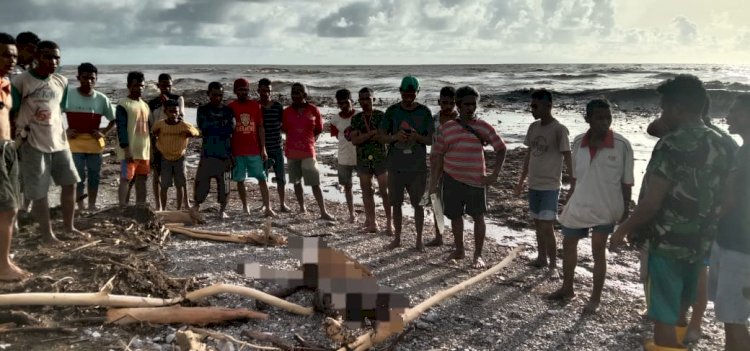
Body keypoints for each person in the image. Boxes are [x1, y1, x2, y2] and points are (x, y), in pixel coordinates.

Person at [610, 75, 733, 351]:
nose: (662, 114)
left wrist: (623, 229)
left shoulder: (672, 144)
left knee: (663, 322)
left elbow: (652, 203)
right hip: (702, 243)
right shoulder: (724, 144)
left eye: (664, 108)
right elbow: (731, 197)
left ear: (678, 107)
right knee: (681, 312)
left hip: (666, 245)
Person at [646, 96, 738, 344]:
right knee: (696, 273)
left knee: (690, 279)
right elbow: (652, 128)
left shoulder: (676, 141)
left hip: (676, 232)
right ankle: (685, 324)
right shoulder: (723, 142)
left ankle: (687, 324)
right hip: (707, 229)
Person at [548, 99, 634, 314]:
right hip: (580, 202)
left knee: (598, 251)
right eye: (599, 118)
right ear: (588, 119)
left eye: (608, 118)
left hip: (607, 206)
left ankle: (595, 298)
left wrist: (625, 215)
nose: (605, 122)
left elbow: (627, 183)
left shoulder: (622, 145)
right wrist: (569, 199)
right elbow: (575, 178)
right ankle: (567, 288)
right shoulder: (578, 143)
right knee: (568, 245)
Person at [11, 40, 85, 245]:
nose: (53, 61)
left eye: (56, 57)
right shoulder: (22, 81)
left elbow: (58, 109)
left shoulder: (61, 81)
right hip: (32, 142)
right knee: (39, 191)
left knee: (70, 183)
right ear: (36, 57)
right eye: (47, 56)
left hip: (59, 141)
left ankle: (69, 227)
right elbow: (13, 111)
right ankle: (47, 235)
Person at [429, 86, 506, 268]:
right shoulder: (447, 128)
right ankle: (459, 249)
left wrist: (494, 174)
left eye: (474, 104)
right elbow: (438, 155)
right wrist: (434, 181)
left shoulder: (483, 127)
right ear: (458, 105)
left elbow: (501, 148)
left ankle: (477, 256)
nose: (471, 108)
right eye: (467, 104)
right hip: (451, 178)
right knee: (455, 216)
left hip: (476, 181)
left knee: (478, 217)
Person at [514, 89, 572, 275]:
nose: (532, 109)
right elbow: (529, 154)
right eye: (531, 105)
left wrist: (573, 182)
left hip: (550, 185)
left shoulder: (559, 129)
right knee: (538, 223)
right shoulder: (533, 127)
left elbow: (567, 156)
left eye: (535, 105)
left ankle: (553, 264)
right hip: (534, 183)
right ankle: (541, 257)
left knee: (547, 225)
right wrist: (521, 179)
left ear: (548, 105)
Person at [708, 94, 750, 351]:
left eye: (734, 111)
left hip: (738, 248)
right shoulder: (742, 149)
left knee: (733, 320)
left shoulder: (746, 154)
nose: (728, 116)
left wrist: (708, 219)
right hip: (737, 244)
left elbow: (730, 200)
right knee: (737, 318)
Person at [379, 76, 434, 251]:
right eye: (405, 93)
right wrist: (395, 137)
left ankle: (419, 240)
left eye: (412, 93)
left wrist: (417, 137)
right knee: (396, 204)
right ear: (400, 92)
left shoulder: (425, 112)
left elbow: (431, 140)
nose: (408, 97)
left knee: (418, 205)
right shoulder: (392, 111)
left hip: (417, 167)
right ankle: (397, 239)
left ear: (417, 92)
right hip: (395, 165)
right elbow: (380, 136)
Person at [65, 62, 116, 211]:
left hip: (94, 142)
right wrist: (64, 131)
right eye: (85, 78)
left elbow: (114, 119)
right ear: (78, 78)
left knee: (94, 176)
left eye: (92, 78)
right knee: (78, 176)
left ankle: (92, 204)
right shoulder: (68, 96)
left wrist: (104, 132)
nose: (88, 81)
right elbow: (54, 115)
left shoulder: (101, 98)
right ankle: (80, 205)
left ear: (96, 79)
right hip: (74, 142)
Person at [281, 82, 334, 220]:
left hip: (308, 151)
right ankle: (302, 207)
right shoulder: (286, 112)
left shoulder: (313, 110)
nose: (295, 95)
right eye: (293, 92)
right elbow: (284, 129)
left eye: (298, 92)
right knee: (296, 182)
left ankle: (323, 211)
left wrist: (310, 141)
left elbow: (319, 129)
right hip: (292, 151)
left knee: (315, 182)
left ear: (305, 94)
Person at [0, 32, 29, 280]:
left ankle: (4, 258)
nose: (11, 60)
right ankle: (3, 266)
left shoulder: (6, 84)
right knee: (7, 208)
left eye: (14, 56)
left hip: (8, 147)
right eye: (5, 55)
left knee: (12, 206)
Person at [228, 78, 273, 217]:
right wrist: (230, 152)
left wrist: (263, 148)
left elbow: (260, 127)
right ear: (235, 91)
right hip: (238, 150)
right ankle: (245, 207)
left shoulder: (255, 106)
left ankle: (268, 207)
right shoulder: (230, 107)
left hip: (254, 149)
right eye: (240, 90)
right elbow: (229, 130)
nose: (243, 92)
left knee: (262, 178)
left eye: (246, 90)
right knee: (240, 180)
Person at [350, 87, 392, 235]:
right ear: (359, 101)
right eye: (362, 99)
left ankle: (389, 223)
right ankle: (372, 223)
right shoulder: (356, 119)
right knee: (367, 192)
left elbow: (384, 137)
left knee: (385, 192)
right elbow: (354, 140)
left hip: (381, 158)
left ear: (373, 99)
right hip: (362, 159)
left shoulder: (382, 116)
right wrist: (372, 133)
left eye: (368, 98)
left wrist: (365, 136)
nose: (365, 101)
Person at [194, 82, 235, 219]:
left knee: (224, 184)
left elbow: (231, 128)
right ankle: (196, 206)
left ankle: (222, 210)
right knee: (201, 182)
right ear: (208, 94)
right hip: (208, 152)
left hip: (224, 152)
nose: (217, 97)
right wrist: (220, 126)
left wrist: (215, 126)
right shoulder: (203, 109)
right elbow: (203, 127)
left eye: (220, 95)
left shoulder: (228, 111)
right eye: (214, 95)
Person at [151, 99, 199, 210]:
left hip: (179, 158)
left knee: (180, 184)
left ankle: (178, 209)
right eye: (171, 111)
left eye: (176, 111)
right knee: (164, 185)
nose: (174, 114)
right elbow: (153, 132)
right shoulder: (160, 124)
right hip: (165, 158)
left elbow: (196, 132)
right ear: (165, 112)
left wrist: (190, 133)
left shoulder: (183, 125)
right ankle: (162, 208)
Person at [148, 73, 185, 210]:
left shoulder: (177, 99)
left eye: (168, 85)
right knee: (157, 174)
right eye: (163, 85)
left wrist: (167, 102)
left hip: (175, 142)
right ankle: (159, 205)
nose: (166, 88)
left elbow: (181, 117)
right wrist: (152, 146)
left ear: (172, 84)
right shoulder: (152, 103)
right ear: (158, 86)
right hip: (159, 142)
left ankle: (184, 204)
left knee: (180, 176)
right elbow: (151, 124)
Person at [426, 86, 458, 247]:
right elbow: (427, 139)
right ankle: (439, 236)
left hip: (455, 164)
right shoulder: (434, 120)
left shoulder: (461, 120)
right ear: (439, 102)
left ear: (455, 103)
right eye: (444, 102)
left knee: (454, 202)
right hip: (435, 163)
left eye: (450, 103)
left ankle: (456, 239)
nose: (447, 106)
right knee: (435, 199)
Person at [115, 71, 151, 207]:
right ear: (128, 86)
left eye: (141, 86)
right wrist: (126, 149)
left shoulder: (145, 105)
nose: (139, 88)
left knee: (142, 179)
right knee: (126, 178)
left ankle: (140, 206)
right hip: (129, 150)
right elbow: (121, 128)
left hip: (144, 150)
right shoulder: (123, 104)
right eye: (136, 85)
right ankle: (122, 206)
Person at [258, 78, 290, 212]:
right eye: (263, 90)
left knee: (281, 177)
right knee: (262, 177)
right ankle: (266, 204)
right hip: (261, 148)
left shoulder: (277, 106)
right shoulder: (256, 106)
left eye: (268, 91)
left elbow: (284, 125)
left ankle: (282, 204)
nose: (266, 93)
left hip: (277, 146)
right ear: (258, 90)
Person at [329, 89, 357, 223]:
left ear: (352, 101)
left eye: (346, 102)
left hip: (360, 156)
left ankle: (369, 216)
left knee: (366, 186)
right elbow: (336, 137)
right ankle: (352, 214)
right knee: (347, 186)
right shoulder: (334, 120)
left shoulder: (359, 115)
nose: (344, 106)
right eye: (340, 104)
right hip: (344, 156)